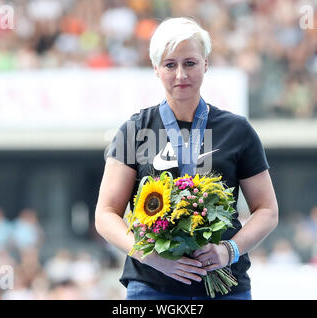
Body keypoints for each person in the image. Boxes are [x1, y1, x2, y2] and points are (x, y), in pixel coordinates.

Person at [95, 17, 278, 300]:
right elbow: (105, 214)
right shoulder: (134, 130)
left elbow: (267, 210)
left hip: (226, 287)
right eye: (170, 65)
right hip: (152, 287)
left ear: (206, 63)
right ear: (156, 69)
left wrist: (228, 251)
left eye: (190, 63)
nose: (181, 74)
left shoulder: (237, 130)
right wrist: (152, 257)